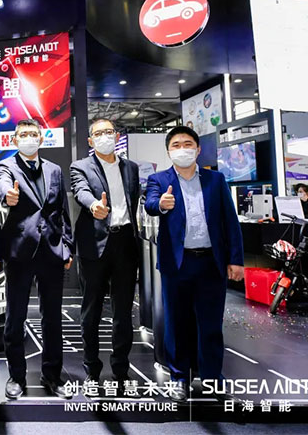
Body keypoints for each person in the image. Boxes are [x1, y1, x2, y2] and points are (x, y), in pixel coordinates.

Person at [144, 126, 244, 403]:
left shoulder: (216, 179)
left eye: (188, 144)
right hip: (177, 264)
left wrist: (236, 259)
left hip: (211, 263)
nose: (182, 149)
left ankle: (212, 378)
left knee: (210, 324)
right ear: (168, 151)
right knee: (177, 323)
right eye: (176, 145)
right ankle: (179, 378)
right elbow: (150, 203)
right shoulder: (159, 179)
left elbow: (230, 221)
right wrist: (161, 204)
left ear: (198, 149)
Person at [0, 118, 74, 400]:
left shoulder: (54, 169)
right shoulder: (6, 166)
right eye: (23, 134)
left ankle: (52, 375)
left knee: (52, 318)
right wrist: (8, 195)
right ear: (15, 140)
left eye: (33, 134)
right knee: (15, 317)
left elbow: (62, 211)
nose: (28, 138)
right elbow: (3, 185)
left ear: (41, 139)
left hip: (52, 251)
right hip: (20, 252)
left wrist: (67, 246)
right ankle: (16, 376)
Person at [70, 118, 140, 392]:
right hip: (94, 244)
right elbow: (81, 191)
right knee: (91, 311)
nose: (104, 136)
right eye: (98, 133)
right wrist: (93, 206)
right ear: (90, 141)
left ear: (117, 136)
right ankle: (92, 369)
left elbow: (134, 200)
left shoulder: (131, 168)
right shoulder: (80, 166)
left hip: (125, 243)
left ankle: (121, 370)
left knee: (123, 312)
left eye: (109, 132)